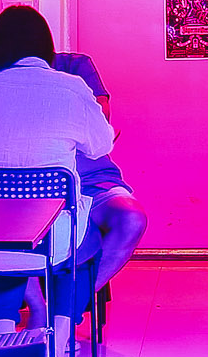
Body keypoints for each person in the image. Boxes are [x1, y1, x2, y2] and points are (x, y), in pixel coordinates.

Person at [0, 7, 118, 343]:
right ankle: (58, 341)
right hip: (57, 240)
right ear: (46, 45)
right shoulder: (71, 87)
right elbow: (100, 145)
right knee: (81, 250)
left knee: (2, 244)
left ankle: (3, 336)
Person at [48, 49, 149, 284]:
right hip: (30, 195)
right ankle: (47, 303)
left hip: (90, 179)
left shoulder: (71, 70)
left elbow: (101, 118)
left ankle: (78, 297)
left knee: (130, 218)